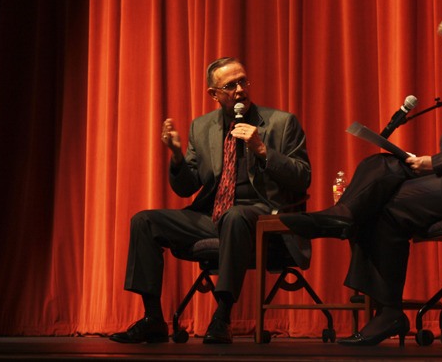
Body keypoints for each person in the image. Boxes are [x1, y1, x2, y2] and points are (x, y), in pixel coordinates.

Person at [280, 8, 442, 346]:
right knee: (380, 165)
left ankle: (385, 306)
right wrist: (426, 162)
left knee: (385, 206)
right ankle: (344, 218)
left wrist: (434, 163)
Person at [110, 57, 311, 344]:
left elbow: (303, 177)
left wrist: (263, 150)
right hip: (213, 216)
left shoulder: (281, 123)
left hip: (264, 215)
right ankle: (153, 318)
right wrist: (178, 157)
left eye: (243, 81)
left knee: (236, 216)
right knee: (144, 221)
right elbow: (186, 187)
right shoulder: (202, 127)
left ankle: (222, 317)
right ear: (214, 94)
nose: (240, 90)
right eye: (230, 85)